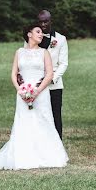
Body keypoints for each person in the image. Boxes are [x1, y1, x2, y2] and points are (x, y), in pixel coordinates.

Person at [0, 24, 68, 170]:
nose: (41, 34)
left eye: (41, 33)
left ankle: (47, 155)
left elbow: (49, 74)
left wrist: (36, 91)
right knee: (24, 122)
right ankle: (24, 155)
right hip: (23, 94)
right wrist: (21, 90)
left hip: (41, 93)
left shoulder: (44, 53)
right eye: (38, 32)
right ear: (29, 34)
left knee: (44, 120)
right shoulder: (19, 52)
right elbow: (13, 73)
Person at [36, 9, 68, 139]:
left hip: (54, 85)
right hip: (36, 84)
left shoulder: (61, 39)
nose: (43, 25)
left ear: (51, 21)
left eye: (46, 21)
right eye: (40, 22)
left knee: (55, 115)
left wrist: (51, 79)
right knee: (38, 115)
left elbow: (63, 63)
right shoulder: (31, 38)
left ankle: (58, 145)